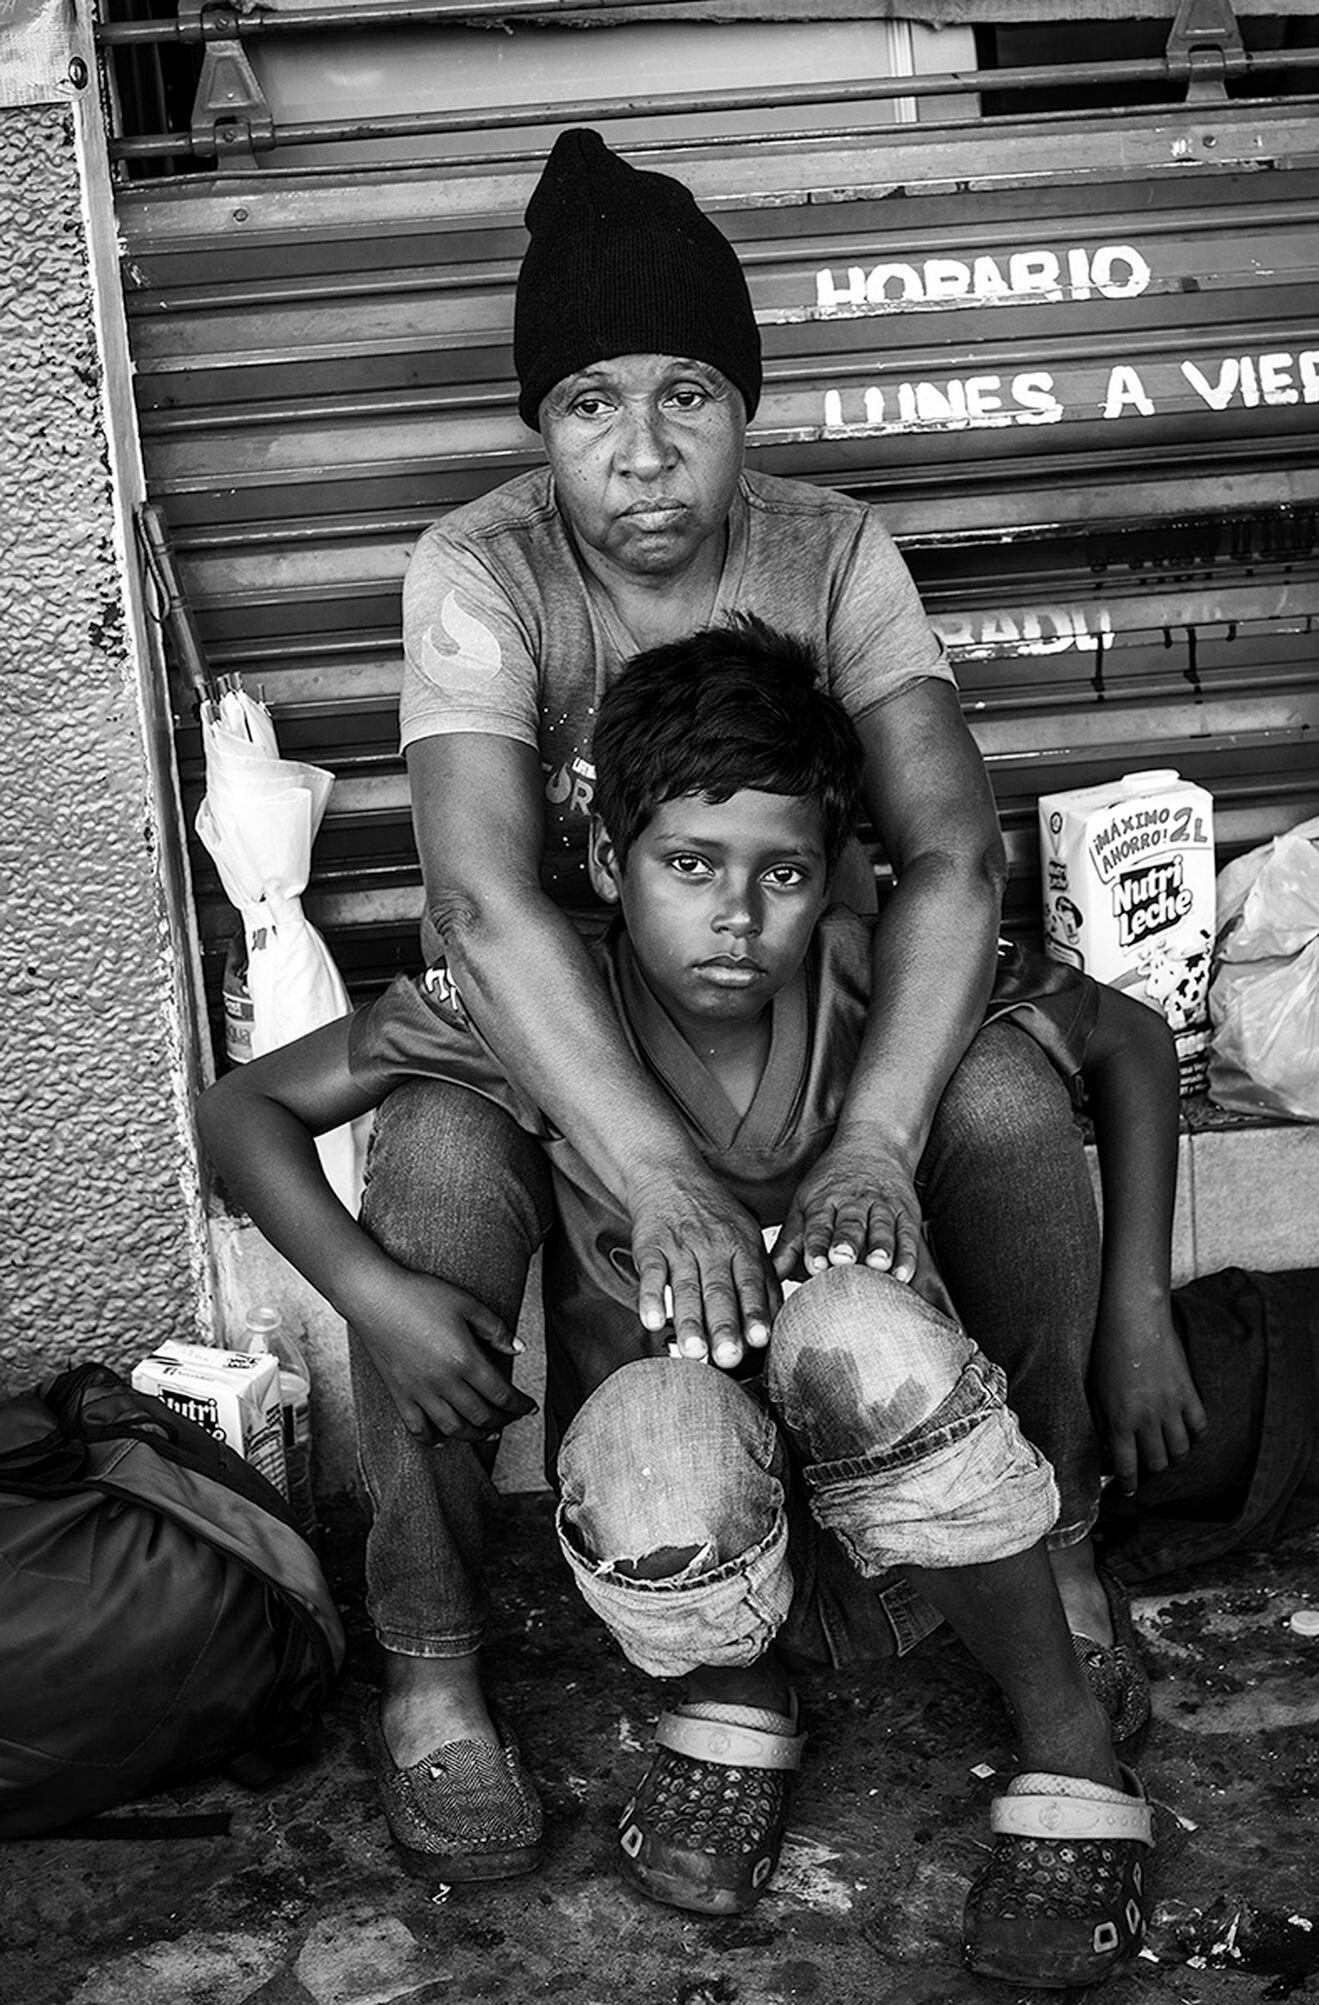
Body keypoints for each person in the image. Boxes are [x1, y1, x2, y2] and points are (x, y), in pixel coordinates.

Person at [277, 125, 1205, 1881]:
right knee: (435, 1158)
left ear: (746, 404)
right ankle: (435, 1660)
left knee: (1005, 1096)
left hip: (785, 1021)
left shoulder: (831, 550)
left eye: (687, 395)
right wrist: (653, 1174)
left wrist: (876, 1133)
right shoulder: (480, 568)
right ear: (540, 423)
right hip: (561, 1029)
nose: (642, 451)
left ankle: (1056, 1539)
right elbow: (479, 900)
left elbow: (951, 856)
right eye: (589, 404)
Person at [196, 618, 1179, 1985]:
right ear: (610, 862)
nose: (737, 915)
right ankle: (735, 1705)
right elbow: (243, 1111)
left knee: (854, 1325)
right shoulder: (541, 1017)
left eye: (784, 872)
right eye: (689, 865)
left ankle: (1068, 1741)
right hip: (679, 1529)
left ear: (833, 874)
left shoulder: (869, 982)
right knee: (658, 1420)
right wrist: (375, 1294)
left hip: (922, 1519)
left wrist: (1140, 1307)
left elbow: (1131, 1038)